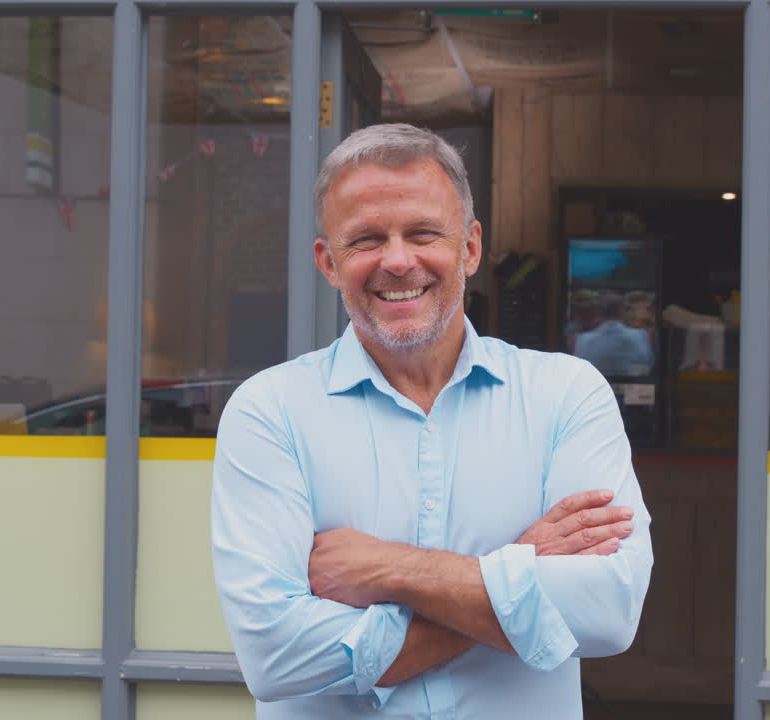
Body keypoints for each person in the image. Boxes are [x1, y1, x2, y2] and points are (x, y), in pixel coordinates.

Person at [211, 124, 653, 719]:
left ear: (469, 248)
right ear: (329, 263)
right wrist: (520, 567)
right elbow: (275, 656)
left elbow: (608, 612)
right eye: (366, 239)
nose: (397, 261)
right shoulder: (270, 412)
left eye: (423, 233)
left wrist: (391, 570)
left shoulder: (566, 395)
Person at [573, 290, 655, 376]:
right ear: (622, 311)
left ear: (598, 311)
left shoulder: (583, 339)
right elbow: (647, 365)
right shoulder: (640, 336)